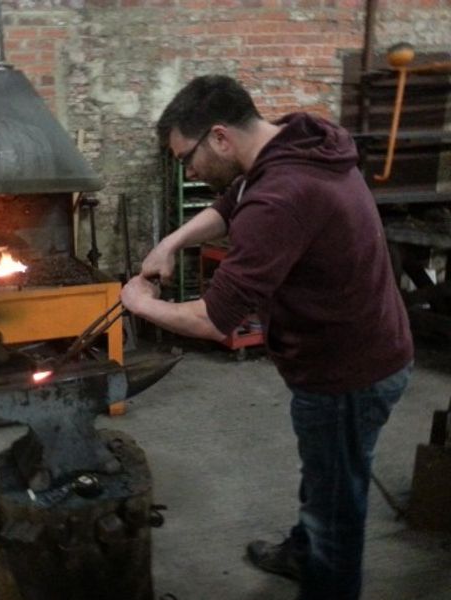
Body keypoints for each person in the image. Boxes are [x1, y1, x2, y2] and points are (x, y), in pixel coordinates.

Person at [121, 75, 413, 600]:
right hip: (351, 350)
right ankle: (304, 553)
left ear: (219, 138)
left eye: (187, 159)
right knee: (326, 473)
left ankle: (325, 576)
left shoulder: (282, 197)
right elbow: (233, 201)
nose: (187, 171)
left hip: (348, 372)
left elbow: (216, 319)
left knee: (337, 513)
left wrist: (142, 305)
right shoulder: (293, 140)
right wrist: (171, 242)